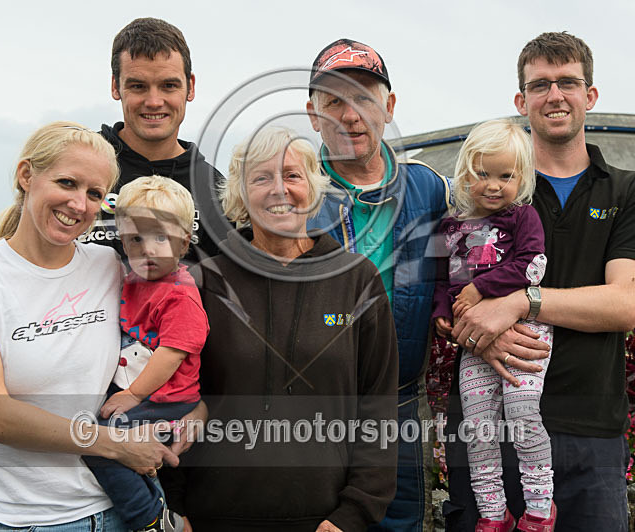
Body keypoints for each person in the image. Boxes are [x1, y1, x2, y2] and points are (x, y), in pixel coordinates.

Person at [305, 39, 550, 532]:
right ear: (312, 114)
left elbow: (466, 273)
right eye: (334, 100)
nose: (351, 114)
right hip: (314, 402)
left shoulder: (429, 188)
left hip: (399, 397)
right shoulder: (295, 190)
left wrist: (488, 325)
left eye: (366, 98)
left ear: (389, 107)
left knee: (400, 521)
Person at [444, 32, 635, 531]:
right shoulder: (486, 192)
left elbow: (624, 304)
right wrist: (478, 330)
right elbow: (447, 299)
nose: (555, 94)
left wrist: (521, 302)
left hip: (591, 433)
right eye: (540, 84)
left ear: (590, 95)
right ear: (521, 101)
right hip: (490, 426)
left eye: (568, 81)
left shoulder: (630, 193)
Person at [0, 122, 187, 530]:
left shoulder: (109, 266)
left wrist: (193, 408)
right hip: (32, 520)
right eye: (67, 183)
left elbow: (170, 340)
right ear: (27, 175)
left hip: (128, 510)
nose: (79, 204)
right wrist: (116, 446)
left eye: (95, 193)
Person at [168, 126, 398, 531]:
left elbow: (378, 405)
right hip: (212, 518)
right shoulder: (203, 283)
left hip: (326, 521)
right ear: (240, 194)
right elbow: (173, 398)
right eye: (261, 177)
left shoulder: (356, 279)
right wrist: (174, 505)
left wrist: (354, 513)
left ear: (313, 186)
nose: (279, 189)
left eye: (292, 175)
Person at [432, 120, 554, 531]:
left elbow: (531, 265)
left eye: (506, 175)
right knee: (479, 428)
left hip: (523, 334)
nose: (494, 184)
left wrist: (480, 288)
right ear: (466, 171)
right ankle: (492, 513)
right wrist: (441, 313)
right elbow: (438, 278)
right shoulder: (448, 228)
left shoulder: (523, 218)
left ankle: (539, 508)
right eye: (483, 173)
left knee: (522, 414)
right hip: (473, 344)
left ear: (521, 177)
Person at [84, 176, 209, 532]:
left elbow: (170, 354)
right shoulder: (134, 282)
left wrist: (132, 394)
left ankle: (150, 518)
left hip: (167, 400)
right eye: (135, 239)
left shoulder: (179, 295)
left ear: (184, 242)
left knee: (99, 443)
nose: (147, 250)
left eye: (160, 238)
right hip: (143, 393)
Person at [82, 17, 223, 263]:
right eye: (138, 86)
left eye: (168, 85)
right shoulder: (78, 165)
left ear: (190, 87)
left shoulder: (216, 192)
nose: (154, 101)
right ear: (116, 86)